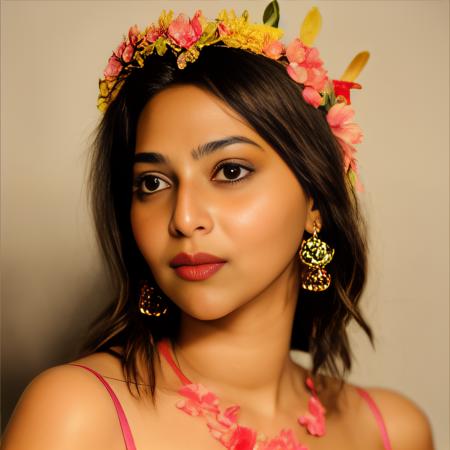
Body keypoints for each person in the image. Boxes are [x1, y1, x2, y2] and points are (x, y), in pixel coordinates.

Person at [2, 2, 434, 449]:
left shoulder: (394, 432)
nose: (184, 219)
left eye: (229, 172)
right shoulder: (76, 414)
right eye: (152, 182)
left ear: (315, 199)